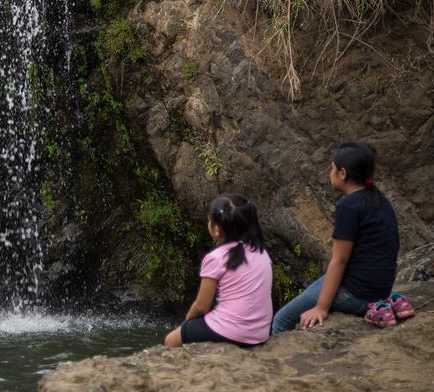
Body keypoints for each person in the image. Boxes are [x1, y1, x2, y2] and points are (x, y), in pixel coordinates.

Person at [271, 142, 411, 333]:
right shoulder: (380, 199)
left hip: (356, 293)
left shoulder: (348, 206)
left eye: (332, 168)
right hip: (380, 290)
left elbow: (340, 260)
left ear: (343, 174)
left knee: (281, 319)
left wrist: (321, 307)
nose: (330, 173)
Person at [164, 194, 272, 348]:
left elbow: (202, 306)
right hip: (259, 332)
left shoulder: (216, 258)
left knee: (171, 339)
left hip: (233, 331)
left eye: (209, 220)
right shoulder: (261, 251)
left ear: (216, 229)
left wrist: (187, 322)